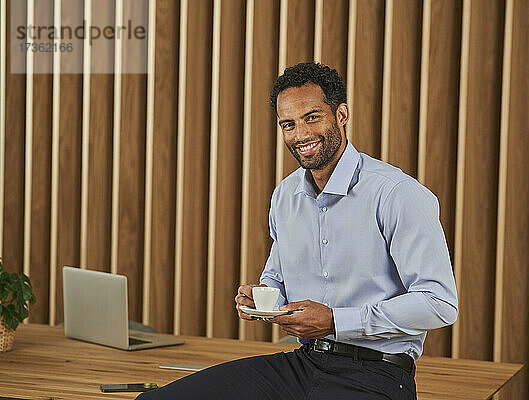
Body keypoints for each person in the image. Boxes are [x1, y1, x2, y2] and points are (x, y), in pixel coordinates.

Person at [137, 62, 458, 400]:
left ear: (342, 115)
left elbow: (439, 303)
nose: (300, 135)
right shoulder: (285, 196)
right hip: (305, 363)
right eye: (288, 124)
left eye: (312, 117)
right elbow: (276, 280)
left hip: (378, 374)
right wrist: (262, 300)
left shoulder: (396, 193)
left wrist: (336, 321)